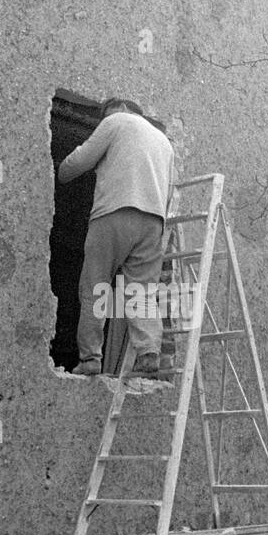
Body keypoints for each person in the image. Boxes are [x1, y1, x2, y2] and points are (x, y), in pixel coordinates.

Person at [57, 97, 175, 377]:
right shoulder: (164, 142)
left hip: (114, 213)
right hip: (153, 221)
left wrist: (60, 168)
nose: (102, 123)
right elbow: (169, 192)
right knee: (141, 292)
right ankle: (148, 351)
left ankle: (90, 359)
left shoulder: (116, 121)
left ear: (119, 111)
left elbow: (78, 162)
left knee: (96, 286)